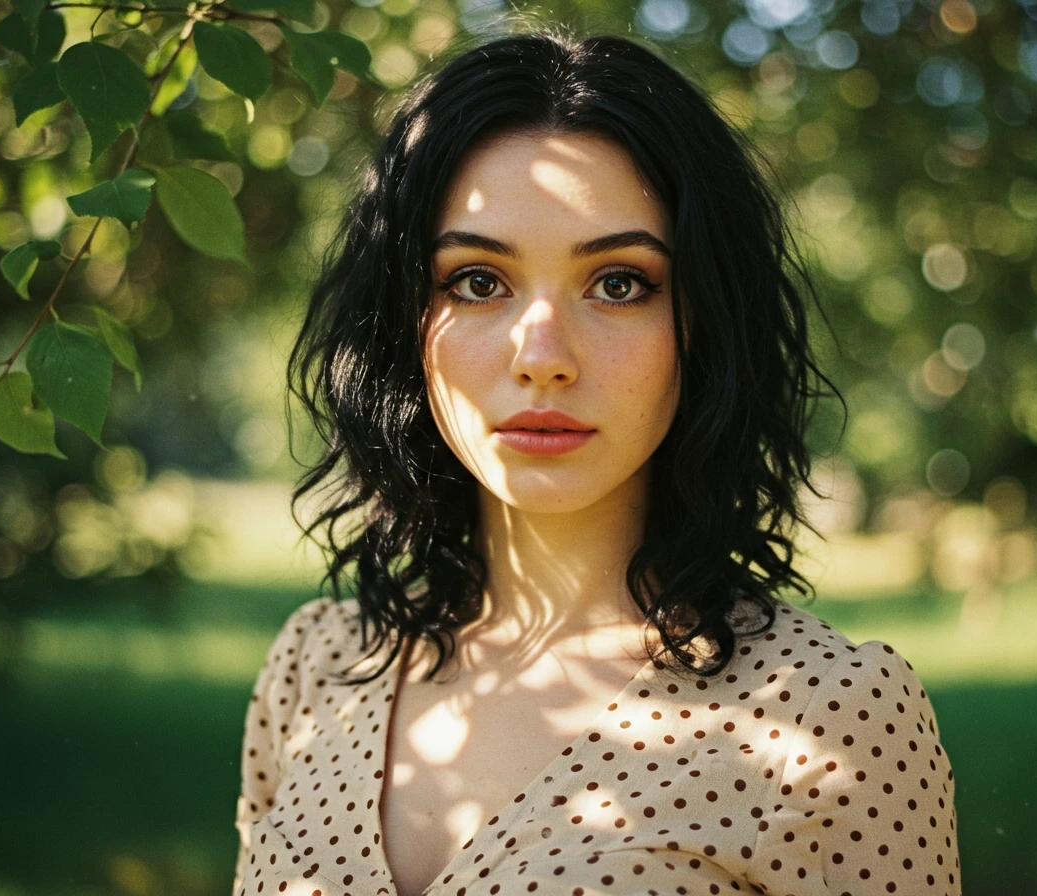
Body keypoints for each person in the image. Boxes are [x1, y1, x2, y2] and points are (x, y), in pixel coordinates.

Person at [233, 21, 961, 896]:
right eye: (477, 280)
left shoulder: (823, 716)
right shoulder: (317, 668)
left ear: (702, 324)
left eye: (619, 282)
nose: (542, 354)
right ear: (405, 320)